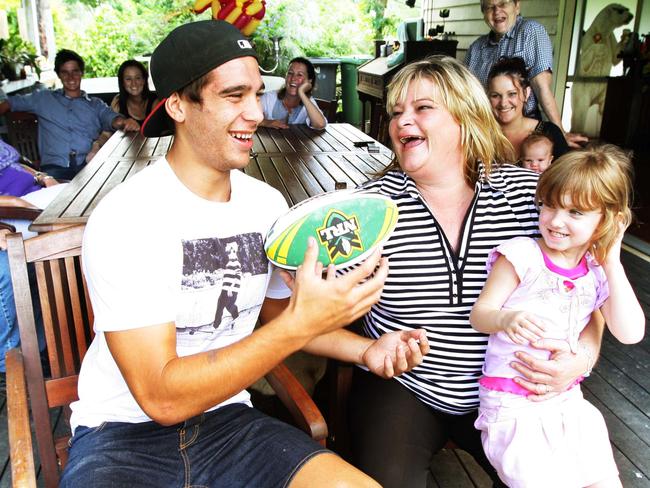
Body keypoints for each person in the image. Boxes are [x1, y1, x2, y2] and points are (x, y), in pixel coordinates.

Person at [60, 20, 429, 488]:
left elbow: (278, 312)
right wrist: (302, 322)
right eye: (234, 96)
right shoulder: (128, 217)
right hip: (122, 437)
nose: (254, 112)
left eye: (257, 94)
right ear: (177, 105)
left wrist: (368, 350)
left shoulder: (267, 206)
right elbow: (162, 397)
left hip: (228, 425)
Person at [347, 55, 605, 488]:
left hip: (515, 390)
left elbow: (586, 294)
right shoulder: (372, 208)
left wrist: (581, 360)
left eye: (422, 108)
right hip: (408, 385)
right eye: (396, 112)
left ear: (466, 117)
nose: (401, 121)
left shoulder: (529, 198)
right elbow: (311, 308)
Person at [470, 145, 644, 487]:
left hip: (567, 402)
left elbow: (630, 332)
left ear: (608, 219)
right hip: (513, 406)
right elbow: (481, 314)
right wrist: (505, 319)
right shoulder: (522, 255)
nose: (555, 220)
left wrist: (611, 260)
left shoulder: (596, 271)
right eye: (549, 205)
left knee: (604, 481)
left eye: (575, 212)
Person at [0, 49, 140, 180]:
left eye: (75, 71)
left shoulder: (95, 104)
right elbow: (10, 103)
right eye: (65, 72)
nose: (71, 77)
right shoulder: (43, 99)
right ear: (58, 74)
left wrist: (125, 122)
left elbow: (112, 118)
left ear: (81, 73)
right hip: (54, 169)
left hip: (88, 165)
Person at [465, 0, 587, 148]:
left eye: (503, 4)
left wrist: (559, 132)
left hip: (525, 130)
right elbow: (467, 97)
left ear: (517, 6)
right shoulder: (476, 48)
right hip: (486, 131)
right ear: (484, 13)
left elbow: (542, 88)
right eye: (490, 7)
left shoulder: (531, 32)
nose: (497, 11)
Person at [0, 139, 67, 377]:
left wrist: (41, 176)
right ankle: (8, 363)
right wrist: (15, 205)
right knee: (64, 242)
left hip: (36, 200)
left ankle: (42, 347)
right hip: (18, 213)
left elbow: (16, 164)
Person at [487, 57, 568, 160]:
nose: (503, 103)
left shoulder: (550, 133)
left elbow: (567, 174)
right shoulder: (480, 135)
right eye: (495, 95)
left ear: (526, 93)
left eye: (512, 94)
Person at [260, 57, 327, 130]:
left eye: (299, 75)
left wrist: (301, 93)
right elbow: (246, 118)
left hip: (297, 141)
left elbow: (320, 124)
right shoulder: (268, 98)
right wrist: (266, 122)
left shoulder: (308, 102)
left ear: (309, 81)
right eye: (290, 73)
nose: (293, 78)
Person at [111, 59, 158, 124]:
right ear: (122, 82)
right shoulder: (117, 102)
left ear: (144, 80)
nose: (134, 83)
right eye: (128, 79)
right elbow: (110, 130)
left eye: (138, 78)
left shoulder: (155, 101)